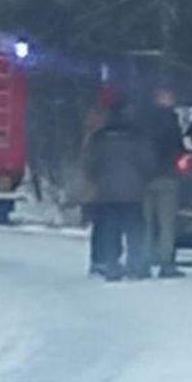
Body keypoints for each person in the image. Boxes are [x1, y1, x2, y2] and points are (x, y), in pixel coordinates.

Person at [83, 96, 154, 281]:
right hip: (134, 192)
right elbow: (147, 162)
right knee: (135, 230)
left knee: (109, 230)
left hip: (107, 192)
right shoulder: (138, 136)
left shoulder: (100, 137)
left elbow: (90, 164)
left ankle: (111, 266)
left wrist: (98, 180)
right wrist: (143, 179)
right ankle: (136, 266)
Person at [144, 87, 185, 279]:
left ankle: (142, 262)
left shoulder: (144, 120)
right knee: (167, 224)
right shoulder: (172, 121)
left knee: (145, 222)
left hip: (145, 178)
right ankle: (166, 263)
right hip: (168, 177)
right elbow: (179, 149)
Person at [80, 85, 120, 273]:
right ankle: (104, 258)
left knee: (102, 222)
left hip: (100, 182)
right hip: (104, 183)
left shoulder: (94, 124)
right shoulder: (105, 126)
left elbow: (87, 157)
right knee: (107, 222)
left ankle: (100, 259)